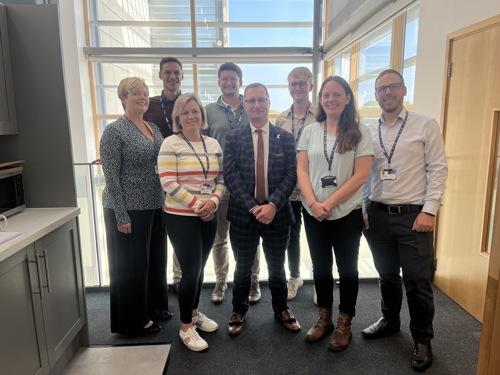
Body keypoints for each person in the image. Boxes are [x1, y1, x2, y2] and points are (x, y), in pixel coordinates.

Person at [361, 69, 447, 372]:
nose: (387, 93)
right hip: (378, 216)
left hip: (414, 217)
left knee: (418, 281)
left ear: (404, 89)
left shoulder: (425, 125)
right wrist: (363, 207)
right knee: (386, 275)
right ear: (375, 94)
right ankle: (390, 319)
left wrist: (430, 210)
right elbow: (365, 175)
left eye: (393, 87)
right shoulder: (368, 131)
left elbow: (438, 169)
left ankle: (423, 339)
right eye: (381, 89)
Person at [297, 76, 373, 352]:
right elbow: (302, 170)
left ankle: (345, 322)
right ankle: (324, 319)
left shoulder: (360, 132)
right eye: (325, 95)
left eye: (336, 95)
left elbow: (362, 174)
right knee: (320, 267)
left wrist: (329, 202)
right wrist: (314, 202)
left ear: (347, 98)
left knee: (348, 269)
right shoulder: (310, 131)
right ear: (320, 100)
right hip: (313, 211)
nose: (330, 100)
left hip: (346, 212)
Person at [224, 83, 300, 336]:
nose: (256, 105)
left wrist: (273, 205)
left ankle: (281, 309)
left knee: (277, 266)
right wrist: (253, 207)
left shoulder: (286, 137)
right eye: (251, 101)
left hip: (276, 214)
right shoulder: (234, 137)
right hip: (243, 215)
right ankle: (238, 309)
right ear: (244, 105)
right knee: (243, 266)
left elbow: (292, 174)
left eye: (261, 100)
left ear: (268, 103)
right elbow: (230, 174)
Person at [100, 77, 170, 335]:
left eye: (144, 93)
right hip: (127, 209)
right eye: (135, 94)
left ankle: (153, 308)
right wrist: (121, 215)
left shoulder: (153, 127)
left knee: (153, 262)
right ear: (123, 99)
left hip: (154, 206)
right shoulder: (114, 131)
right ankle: (132, 320)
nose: (142, 97)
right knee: (131, 267)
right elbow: (111, 177)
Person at [158, 93, 225, 352]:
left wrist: (214, 203)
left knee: (199, 269)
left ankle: (194, 313)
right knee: (190, 271)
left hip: (209, 214)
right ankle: (186, 327)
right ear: (178, 117)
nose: (191, 116)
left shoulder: (213, 143)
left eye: (195, 111)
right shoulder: (170, 143)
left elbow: (221, 179)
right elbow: (168, 182)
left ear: (202, 115)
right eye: (185, 112)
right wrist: (199, 205)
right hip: (181, 217)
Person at [205, 62, 261, 304]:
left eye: (233, 79)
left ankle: (253, 280)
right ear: (219, 82)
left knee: (251, 237)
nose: (229, 82)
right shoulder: (207, 111)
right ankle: (220, 282)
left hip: (249, 186)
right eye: (224, 79)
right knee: (220, 239)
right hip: (220, 185)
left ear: (240, 81)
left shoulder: (251, 106)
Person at [275, 67, 317, 301]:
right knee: (292, 233)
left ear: (310, 85)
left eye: (301, 83)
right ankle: (295, 276)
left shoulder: (320, 114)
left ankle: (321, 280)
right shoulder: (281, 118)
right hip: (289, 186)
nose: (297, 88)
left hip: (314, 186)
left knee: (317, 234)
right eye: (293, 84)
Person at [144, 56, 184, 290]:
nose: (172, 76)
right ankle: (158, 283)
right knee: (158, 232)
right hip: (155, 177)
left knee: (181, 228)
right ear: (160, 75)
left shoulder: (188, 102)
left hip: (184, 174)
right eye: (167, 72)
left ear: (182, 75)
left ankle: (179, 278)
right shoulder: (149, 103)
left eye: (176, 72)